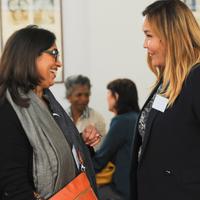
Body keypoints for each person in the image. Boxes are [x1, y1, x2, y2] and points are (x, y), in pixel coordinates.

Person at [0, 25, 101, 199]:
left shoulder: (48, 101)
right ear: (30, 56)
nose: (59, 63)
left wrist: (80, 144)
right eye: (54, 53)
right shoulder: (8, 107)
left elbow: (58, 152)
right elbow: (12, 180)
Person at [130, 1, 200, 200]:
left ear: (171, 36)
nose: (145, 44)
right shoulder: (167, 81)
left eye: (149, 35)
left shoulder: (196, 77)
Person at [93, 78, 140, 200]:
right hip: (136, 187)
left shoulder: (122, 121)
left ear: (117, 96)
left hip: (122, 190)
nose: (107, 98)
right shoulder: (137, 118)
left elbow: (100, 160)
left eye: (109, 94)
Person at [65, 75, 106, 150]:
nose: (83, 99)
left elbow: (101, 149)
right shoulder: (62, 117)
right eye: (79, 95)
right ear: (69, 97)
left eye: (86, 95)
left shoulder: (97, 118)